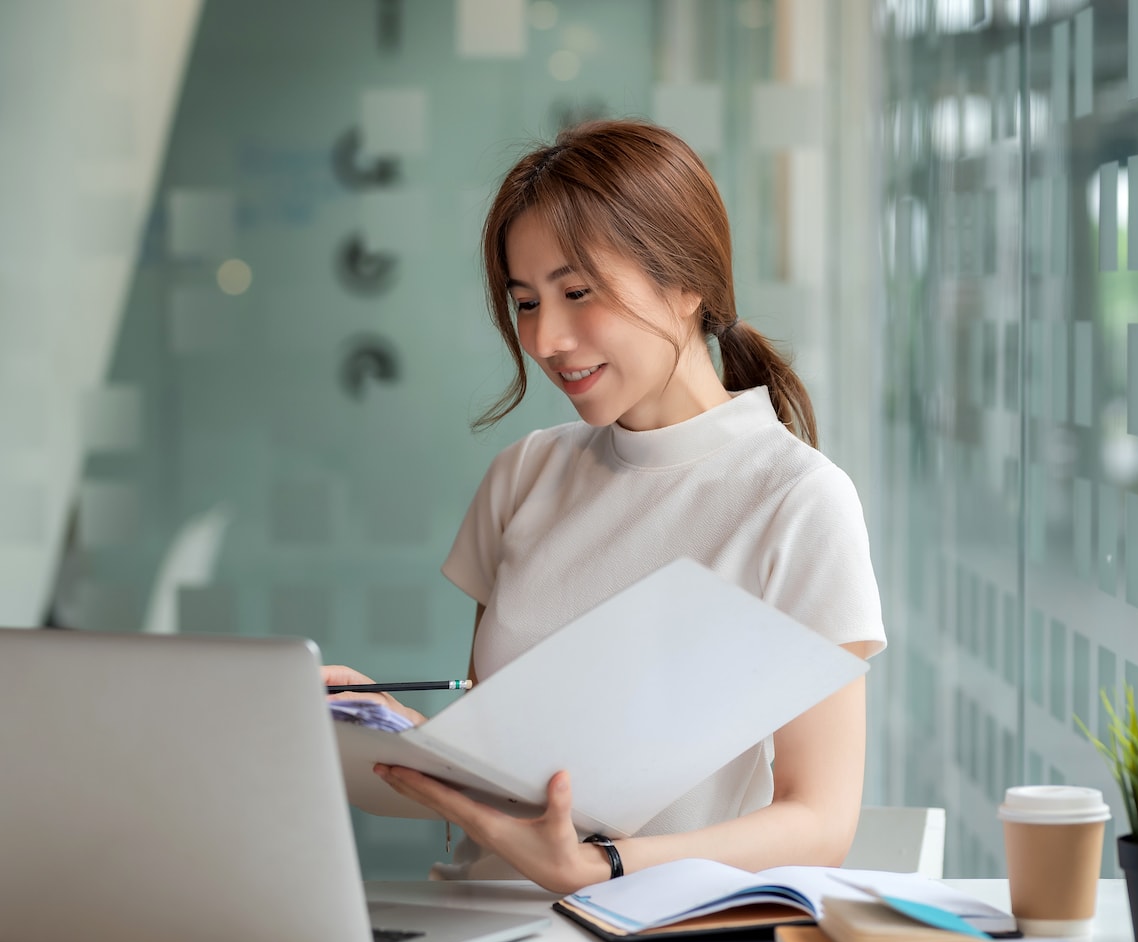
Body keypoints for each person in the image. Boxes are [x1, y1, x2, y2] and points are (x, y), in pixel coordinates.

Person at [325, 119, 885, 896]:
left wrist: (604, 865)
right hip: (472, 926)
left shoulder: (796, 501)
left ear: (687, 284)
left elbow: (819, 821)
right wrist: (379, 727)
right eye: (525, 302)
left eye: (576, 292)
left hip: (652, 940)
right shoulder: (525, 474)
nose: (547, 339)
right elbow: (503, 781)